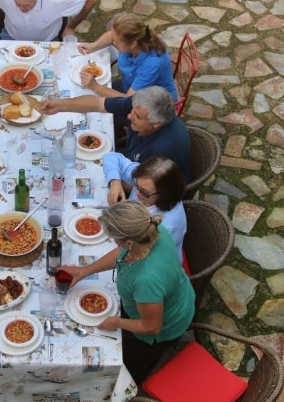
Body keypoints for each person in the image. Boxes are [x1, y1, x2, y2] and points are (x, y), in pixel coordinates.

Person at [60, 201, 195, 383]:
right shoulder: (153, 231)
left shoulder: (146, 279)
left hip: (161, 329)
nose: (113, 241)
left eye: (114, 238)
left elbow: (152, 327)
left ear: (129, 242)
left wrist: (116, 321)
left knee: (126, 373)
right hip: (168, 297)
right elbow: (122, 254)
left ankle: (128, 401)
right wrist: (85, 271)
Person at [42, 86, 190, 179]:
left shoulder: (163, 149)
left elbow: (140, 188)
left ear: (156, 124)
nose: (129, 116)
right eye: (132, 110)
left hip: (152, 190)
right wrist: (59, 105)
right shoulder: (140, 105)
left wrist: (107, 177)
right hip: (126, 160)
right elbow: (98, 103)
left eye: (137, 117)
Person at [76, 13, 178, 100]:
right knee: (87, 94)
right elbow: (111, 36)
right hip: (129, 84)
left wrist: (96, 87)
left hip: (152, 102)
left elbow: (129, 101)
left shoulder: (151, 64)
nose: (113, 42)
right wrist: (92, 46)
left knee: (99, 108)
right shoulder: (136, 38)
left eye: (117, 41)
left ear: (133, 44)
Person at [103, 154, 186, 257]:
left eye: (144, 193)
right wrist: (115, 182)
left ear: (164, 194)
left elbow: (143, 257)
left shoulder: (167, 227)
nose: (137, 193)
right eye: (136, 185)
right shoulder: (146, 179)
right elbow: (111, 157)